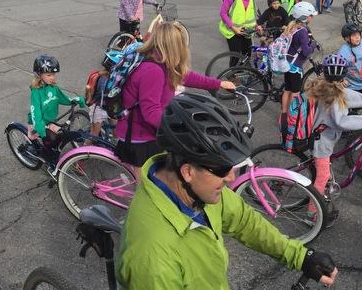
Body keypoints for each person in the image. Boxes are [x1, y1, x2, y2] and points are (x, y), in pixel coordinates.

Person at [117, 93, 338, 288]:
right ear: (187, 172)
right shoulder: (152, 258)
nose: (230, 178)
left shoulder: (196, 190)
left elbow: (244, 221)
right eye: (223, 170)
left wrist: (300, 256)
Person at [115, 19, 235, 166]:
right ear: (174, 47)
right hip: (140, 137)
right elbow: (151, 113)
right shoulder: (152, 71)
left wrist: (218, 83)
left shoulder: (160, 60)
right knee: (155, 186)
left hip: (149, 130)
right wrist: (180, 127)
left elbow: (185, 76)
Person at [305, 54, 362, 220]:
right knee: (322, 177)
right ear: (344, 74)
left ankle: (318, 200)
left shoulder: (328, 87)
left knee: (323, 171)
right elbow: (342, 121)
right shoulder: (333, 95)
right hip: (321, 143)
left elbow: (351, 96)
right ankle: (311, 214)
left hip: (322, 139)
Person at [24, 54, 80, 163]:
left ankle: (50, 151)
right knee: (51, 140)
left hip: (50, 121)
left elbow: (62, 98)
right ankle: (43, 155)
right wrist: (39, 125)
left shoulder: (53, 87)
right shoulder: (36, 91)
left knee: (60, 137)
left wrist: (73, 100)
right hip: (38, 122)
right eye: (49, 75)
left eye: (54, 74)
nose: (52, 77)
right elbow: (35, 110)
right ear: (39, 74)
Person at [277, 2, 319, 121]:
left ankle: (283, 115)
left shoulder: (292, 27)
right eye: (311, 15)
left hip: (287, 63)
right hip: (295, 67)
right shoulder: (303, 32)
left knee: (287, 90)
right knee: (295, 93)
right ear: (304, 17)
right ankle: (293, 118)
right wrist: (313, 45)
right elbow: (306, 52)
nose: (312, 17)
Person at [218, 0, 260, 67]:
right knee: (236, 56)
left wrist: (257, 25)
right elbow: (223, 13)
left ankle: (243, 74)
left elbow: (251, 12)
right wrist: (234, 28)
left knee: (247, 55)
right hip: (233, 31)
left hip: (247, 30)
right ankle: (232, 76)